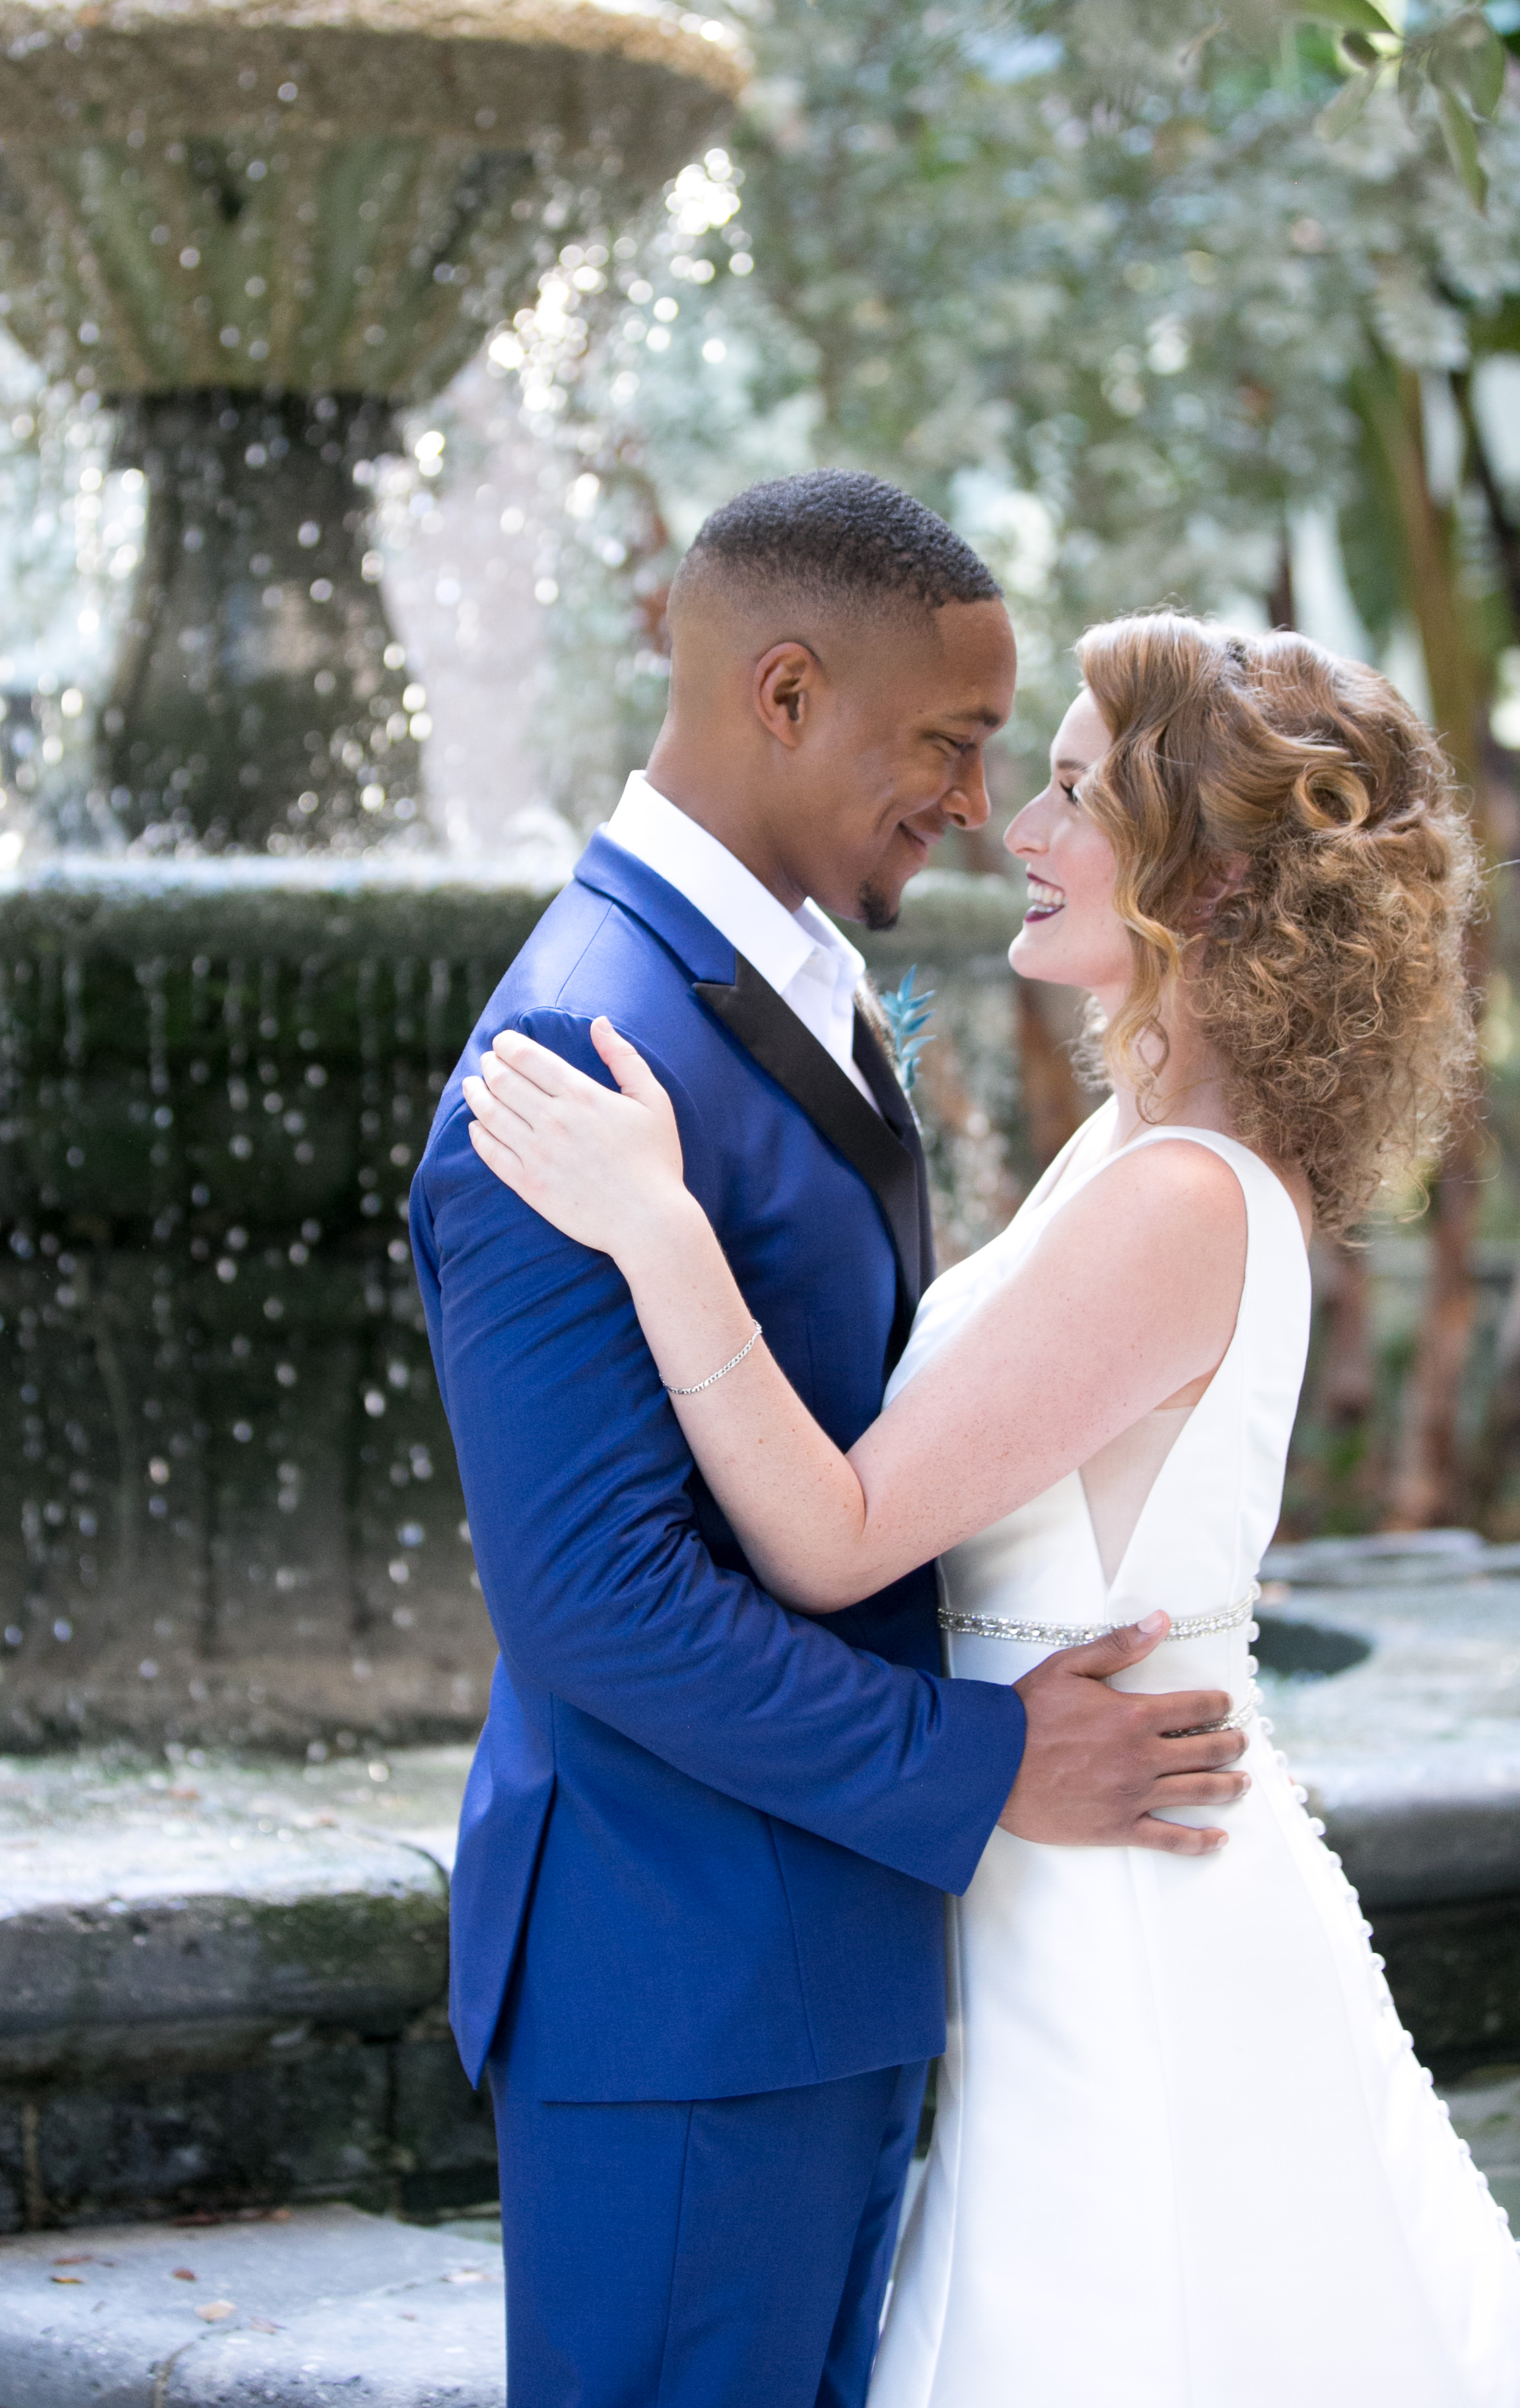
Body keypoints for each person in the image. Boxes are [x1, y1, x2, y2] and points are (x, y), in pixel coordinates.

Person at [464, 609, 1520, 2407]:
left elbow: (836, 1533)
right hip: (1056, 1901)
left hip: (1127, 1934)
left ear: (1223, 879)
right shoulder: (1134, 1154)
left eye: (1076, 795)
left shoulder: (1182, 1198)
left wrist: (656, 1225)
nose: (1014, 831)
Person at [411, 478, 1256, 2408]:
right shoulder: (575, 1058)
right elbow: (599, 1608)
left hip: (822, 1954)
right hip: (686, 1979)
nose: (976, 803)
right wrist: (984, 1766)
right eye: (951, 743)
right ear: (783, 694)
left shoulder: (782, 982)